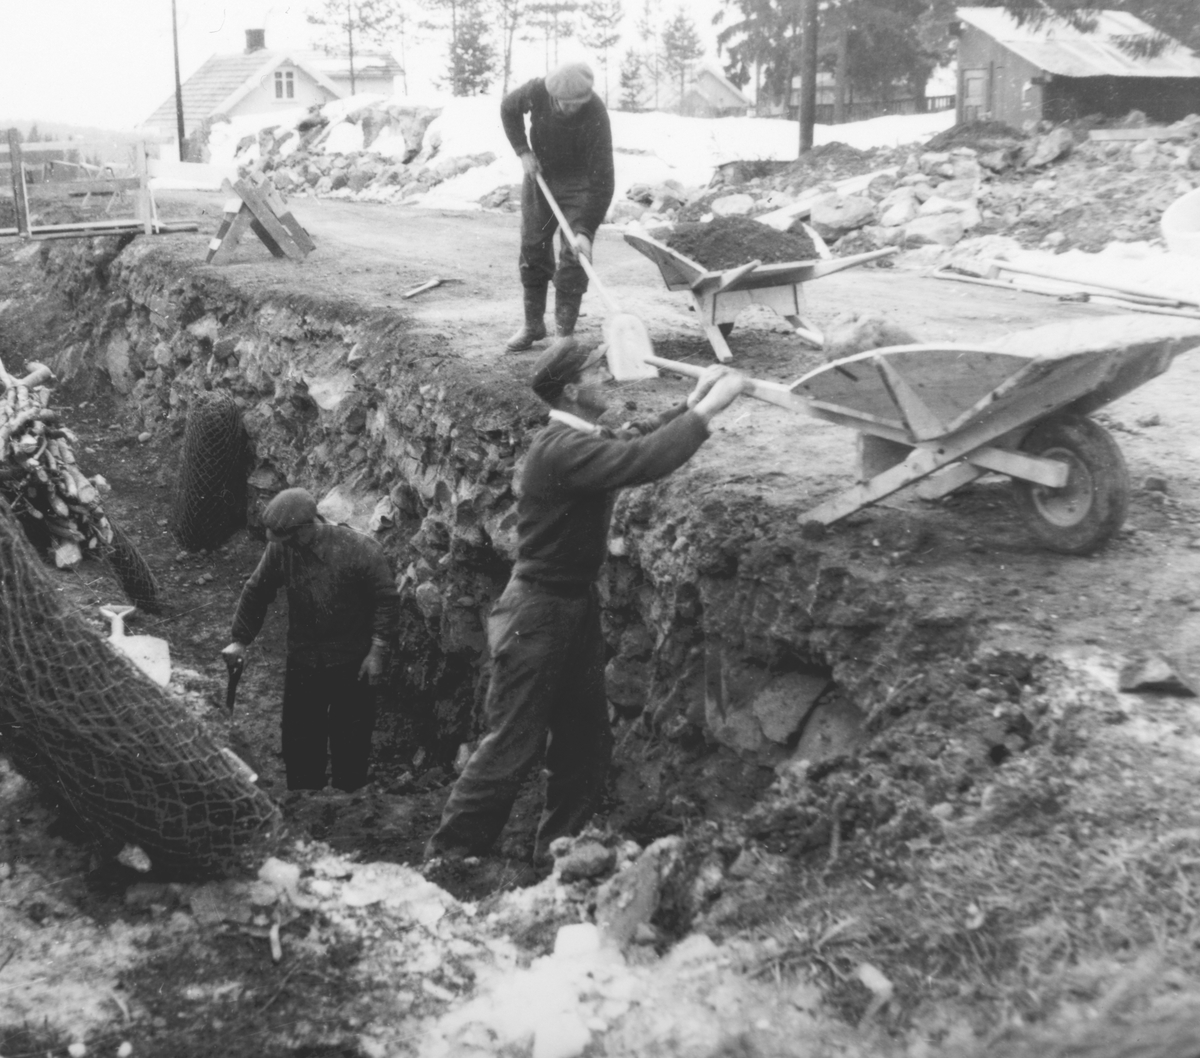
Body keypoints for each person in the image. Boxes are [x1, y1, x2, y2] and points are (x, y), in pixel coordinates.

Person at [425, 338, 745, 864]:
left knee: (584, 748)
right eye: (598, 371)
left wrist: (690, 403)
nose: (609, 377)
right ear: (572, 389)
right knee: (512, 747)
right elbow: (639, 460)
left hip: (570, 609)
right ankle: (449, 859)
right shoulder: (559, 450)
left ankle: (559, 860)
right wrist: (709, 411)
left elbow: (629, 440)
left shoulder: (578, 439)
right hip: (537, 614)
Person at [222, 487, 399, 792]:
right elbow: (257, 590)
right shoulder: (283, 548)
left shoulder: (359, 549)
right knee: (299, 740)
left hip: (352, 661)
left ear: (308, 525)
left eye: (290, 539)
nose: (287, 546)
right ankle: (304, 803)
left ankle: (349, 805)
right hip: (304, 658)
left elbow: (386, 599)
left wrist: (378, 650)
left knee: (351, 740)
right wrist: (240, 640)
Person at [500, 60, 614, 352]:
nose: (567, 109)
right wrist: (523, 150)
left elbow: (603, 179)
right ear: (552, 96)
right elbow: (508, 109)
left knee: (575, 255)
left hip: (580, 182)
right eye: (562, 104)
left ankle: (564, 335)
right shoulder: (537, 90)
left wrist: (585, 231)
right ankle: (533, 325)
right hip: (541, 175)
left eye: (575, 104)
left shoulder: (596, 114)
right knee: (533, 246)